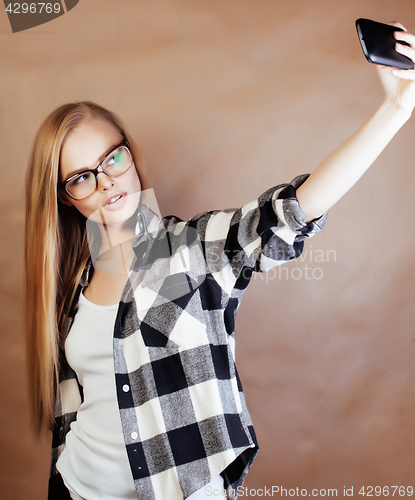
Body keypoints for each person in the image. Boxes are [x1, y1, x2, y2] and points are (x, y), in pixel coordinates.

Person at [25, 24, 415, 500]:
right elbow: (76, 406)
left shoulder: (187, 252)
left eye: (113, 158)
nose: (106, 181)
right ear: (65, 198)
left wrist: (396, 109)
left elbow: (291, 211)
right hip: (75, 488)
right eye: (82, 176)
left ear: (129, 154)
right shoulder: (74, 288)